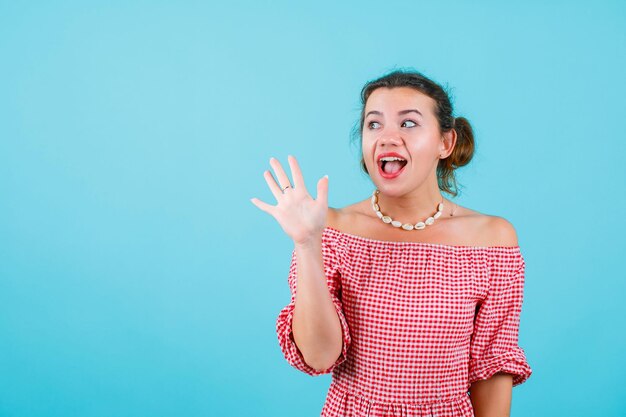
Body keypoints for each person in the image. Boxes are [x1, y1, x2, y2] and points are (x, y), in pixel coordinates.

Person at [250, 69, 532, 417]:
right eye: (374, 124)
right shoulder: (329, 230)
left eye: (408, 124)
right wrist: (308, 243)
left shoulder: (493, 241)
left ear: (446, 143)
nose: (387, 137)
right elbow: (319, 357)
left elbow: (493, 366)